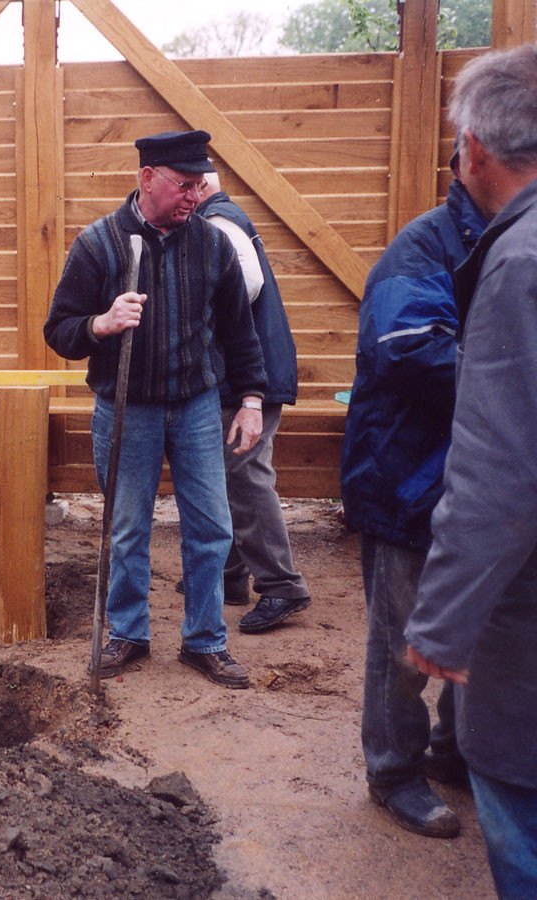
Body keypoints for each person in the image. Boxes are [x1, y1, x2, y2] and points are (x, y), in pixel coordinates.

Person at [44, 130, 267, 689]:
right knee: (126, 529)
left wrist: (251, 399)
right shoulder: (98, 245)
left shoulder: (213, 245)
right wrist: (100, 323)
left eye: (199, 185)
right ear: (148, 179)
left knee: (212, 527)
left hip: (195, 406)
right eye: (183, 185)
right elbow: (59, 331)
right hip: (126, 408)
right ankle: (128, 633)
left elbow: (241, 332)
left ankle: (205, 640)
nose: (195, 196)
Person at [404, 44, 537, 897]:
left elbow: (499, 469)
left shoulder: (519, 265)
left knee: (518, 811)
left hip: (525, 618)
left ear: (474, 149)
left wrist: (444, 623)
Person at [340, 145, 488, 838]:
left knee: (485, 628)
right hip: (410, 477)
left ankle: (456, 754)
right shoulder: (422, 248)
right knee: (403, 642)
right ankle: (394, 771)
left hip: (482, 478)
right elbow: (409, 348)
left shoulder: (511, 238)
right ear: (469, 162)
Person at [196, 173, 311, 633]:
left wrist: (199, 318)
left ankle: (282, 586)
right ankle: (230, 576)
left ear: (201, 187)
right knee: (229, 475)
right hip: (252, 372)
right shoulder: (223, 216)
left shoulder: (219, 223)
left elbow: (244, 286)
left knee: (244, 477)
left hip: (250, 377)